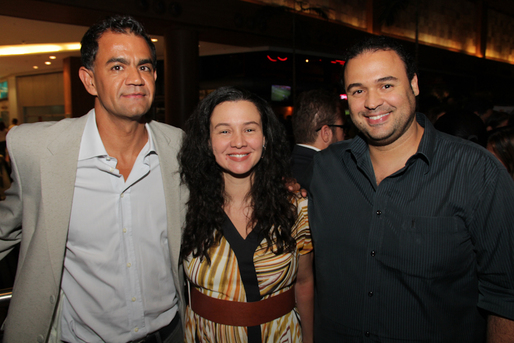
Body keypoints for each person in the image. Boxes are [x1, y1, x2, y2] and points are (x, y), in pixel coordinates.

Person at [307, 36, 514, 342]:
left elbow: (505, 296)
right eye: (358, 90)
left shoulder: (478, 172)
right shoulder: (325, 168)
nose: (372, 101)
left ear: (414, 84)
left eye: (386, 85)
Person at [0, 16, 187, 342]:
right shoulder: (41, 152)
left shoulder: (180, 149)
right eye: (117, 67)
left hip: (169, 333)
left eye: (144, 67)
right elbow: (5, 229)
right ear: (89, 80)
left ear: (155, 76)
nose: (135, 79)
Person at [179, 86, 314, 343]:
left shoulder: (296, 207)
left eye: (249, 129)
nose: (238, 141)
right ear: (208, 141)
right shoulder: (185, 205)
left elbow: (305, 283)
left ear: (265, 138)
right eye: (224, 131)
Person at [291, 89, 346, 187]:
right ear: (326, 133)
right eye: (342, 128)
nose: (345, 134)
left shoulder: (276, 171)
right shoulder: (332, 178)